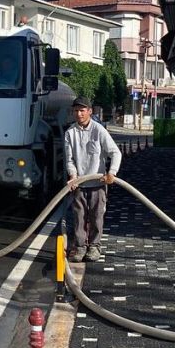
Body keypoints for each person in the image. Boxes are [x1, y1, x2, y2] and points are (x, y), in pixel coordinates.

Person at [64, 96, 121, 263]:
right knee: (79, 215)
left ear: (89, 111)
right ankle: (80, 247)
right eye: (76, 111)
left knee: (96, 216)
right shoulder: (70, 133)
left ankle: (94, 246)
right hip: (79, 183)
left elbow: (115, 152)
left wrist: (112, 173)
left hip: (98, 183)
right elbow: (69, 159)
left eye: (82, 110)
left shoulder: (99, 130)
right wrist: (73, 176)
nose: (79, 114)